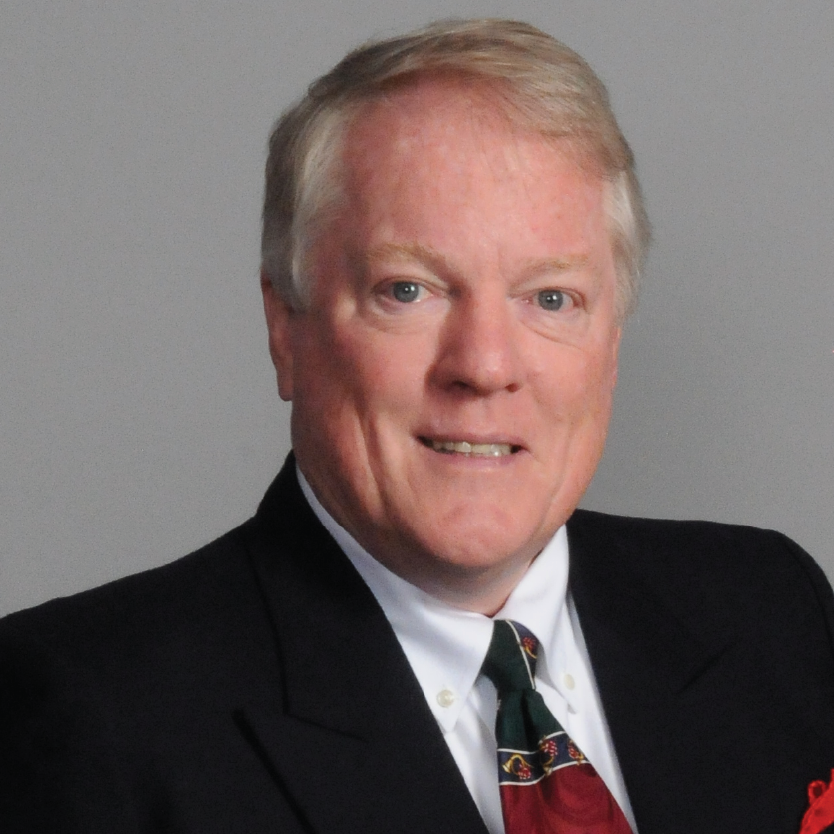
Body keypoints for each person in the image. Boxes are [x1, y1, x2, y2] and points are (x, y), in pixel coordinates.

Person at [2, 18, 833, 834]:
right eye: (409, 290)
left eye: (551, 298)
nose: (484, 366)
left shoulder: (771, 610)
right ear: (286, 328)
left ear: (610, 345)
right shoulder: (86, 713)